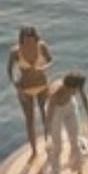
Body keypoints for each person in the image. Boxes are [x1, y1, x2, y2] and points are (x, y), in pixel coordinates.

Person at [7, 26, 53, 162]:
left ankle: (49, 144)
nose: (29, 43)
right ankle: (34, 151)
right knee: (30, 120)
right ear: (21, 40)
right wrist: (15, 85)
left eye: (32, 40)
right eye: (26, 41)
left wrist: (44, 67)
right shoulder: (15, 52)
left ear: (36, 39)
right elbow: (9, 70)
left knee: (46, 116)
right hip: (25, 89)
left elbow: (51, 60)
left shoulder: (42, 46)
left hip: (42, 86)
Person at [46, 71, 88, 174]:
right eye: (76, 90)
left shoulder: (77, 88)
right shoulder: (55, 94)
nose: (78, 92)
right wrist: (48, 134)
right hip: (55, 112)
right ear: (70, 87)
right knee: (57, 148)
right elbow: (49, 115)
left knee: (76, 142)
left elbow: (84, 98)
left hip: (69, 107)